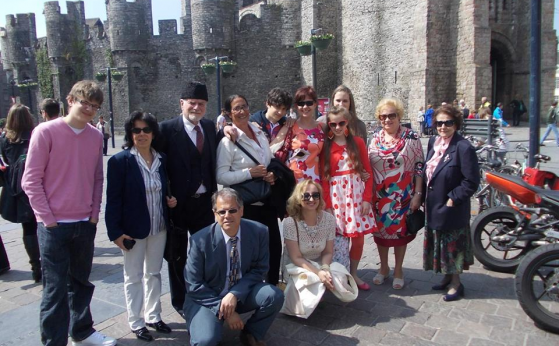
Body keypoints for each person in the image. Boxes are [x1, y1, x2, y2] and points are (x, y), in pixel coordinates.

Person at [21, 80, 116, 346]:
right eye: (84, 102)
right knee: (54, 290)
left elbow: (98, 177)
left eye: (94, 106)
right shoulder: (45, 131)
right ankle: (54, 341)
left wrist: (94, 214)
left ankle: (82, 331)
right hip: (54, 225)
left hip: (84, 222)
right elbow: (30, 180)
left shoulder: (95, 136)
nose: (89, 109)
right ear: (70, 100)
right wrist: (47, 218)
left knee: (82, 283)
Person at [105, 112, 178, 342]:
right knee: (133, 276)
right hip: (133, 230)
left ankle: (153, 315)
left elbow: (163, 188)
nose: (142, 134)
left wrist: (170, 200)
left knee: (154, 273)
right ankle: (136, 321)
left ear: (153, 133)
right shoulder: (120, 161)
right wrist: (115, 233)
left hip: (159, 226)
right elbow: (113, 200)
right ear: (130, 133)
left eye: (146, 130)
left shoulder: (161, 159)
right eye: (136, 130)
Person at [184, 188, 284, 346]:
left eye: (232, 210)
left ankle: (252, 332)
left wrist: (234, 295)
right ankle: (201, 323)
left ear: (241, 210)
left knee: (274, 295)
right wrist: (224, 310)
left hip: (241, 292)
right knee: (205, 341)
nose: (227, 216)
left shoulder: (259, 231)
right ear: (214, 213)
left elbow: (260, 269)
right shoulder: (199, 240)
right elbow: (193, 285)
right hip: (208, 298)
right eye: (221, 212)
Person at [159, 81, 219, 315]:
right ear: (181, 103)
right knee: (177, 254)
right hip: (178, 204)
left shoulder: (209, 126)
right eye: (192, 103)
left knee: (205, 251)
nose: (196, 107)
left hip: (204, 203)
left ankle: (203, 293)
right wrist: (166, 195)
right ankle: (181, 301)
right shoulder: (166, 129)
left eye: (201, 104)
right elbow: (159, 166)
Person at [216, 94, 281, 285]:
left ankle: (272, 287)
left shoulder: (259, 132)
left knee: (273, 247)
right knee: (250, 251)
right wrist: (249, 173)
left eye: (243, 106)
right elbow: (221, 176)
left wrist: (272, 174)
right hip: (247, 205)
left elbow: (268, 160)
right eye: (236, 108)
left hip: (266, 199)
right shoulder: (228, 142)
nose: (242, 111)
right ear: (228, 113)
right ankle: (248, 290)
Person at [423, 104, 480, 302]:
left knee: (452, 246)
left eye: (448, 122)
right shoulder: (433, 142)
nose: (443, 126)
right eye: (439, 123)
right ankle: (447, 277)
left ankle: (456, 283)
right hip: (434, 204)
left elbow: (471, 180)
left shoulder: (463, 147)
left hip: (451, 206)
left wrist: (453, 198)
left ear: (456, 124)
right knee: (441, 243)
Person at [368, 98, 425, 290]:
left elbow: (419, 166)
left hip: (402, 195)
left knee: (400, 234)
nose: (387, 120)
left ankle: (399, 269)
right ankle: (383, 268)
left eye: (391, 115)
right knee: (381, 235)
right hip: (379, 196)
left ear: (399, 116)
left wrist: (418, 193)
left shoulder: (411, 137)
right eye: (383, 116)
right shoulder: (375, 137)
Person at [281, 180, 357, 318]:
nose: (311, 199)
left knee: (337, 274)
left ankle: (318, 292)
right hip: (297, 265)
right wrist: (318, 273)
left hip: (320, 263)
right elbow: (296, 257)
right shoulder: (290, 223)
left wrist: (325, 269)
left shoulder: (328, 219)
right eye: (306, 196)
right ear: (298, 198)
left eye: (315, 195)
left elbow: (328, 252)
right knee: (310, 279)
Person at [321, 106, 377, 289]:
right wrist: (327, 204)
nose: (337, 127)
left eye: (341, 123)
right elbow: (324, 177)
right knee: (339, 239)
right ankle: (340, 274)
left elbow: (368, 171)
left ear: (347, 122)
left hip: (356, 195)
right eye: (333, 124)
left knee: (358, 238)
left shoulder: (358, 143)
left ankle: (354, 274)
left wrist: (367, 199)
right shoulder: (326, 145)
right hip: (337, 197)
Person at [0, 104, 41, 282]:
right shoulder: (35, 135)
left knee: (28, 228)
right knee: (43, 225)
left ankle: (35, 266)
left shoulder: (5, 140)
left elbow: (6, 161)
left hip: (17, 190)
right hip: (37, 185)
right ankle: (48, 262)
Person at [270, 86, 325, 183]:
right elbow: (271, 148)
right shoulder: (290, 126)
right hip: (295, 179)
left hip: (317, 179)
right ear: (296, 106)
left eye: (309, 103)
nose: (305, 107)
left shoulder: (322, 127)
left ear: (315, 104)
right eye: (301, 103)